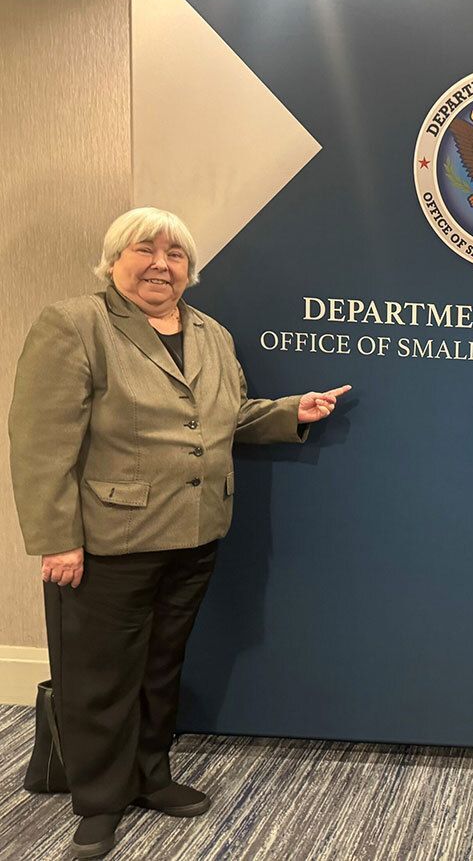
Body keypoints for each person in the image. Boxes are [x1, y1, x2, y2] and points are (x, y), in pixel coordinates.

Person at [8, 207, 351, 859]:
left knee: (161, 666)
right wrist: (57, 537)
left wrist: (287, 413)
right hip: (108, 539)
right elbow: (40, 441)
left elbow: (225, 416)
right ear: (114, 260)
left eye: (175, 254)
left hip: (195, 534)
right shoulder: (77, 324)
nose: (161, 264)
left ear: (190, 270)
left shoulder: (211, 333)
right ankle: (100, 800)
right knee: (100, 674)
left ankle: (150, 775)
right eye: (145, 249)